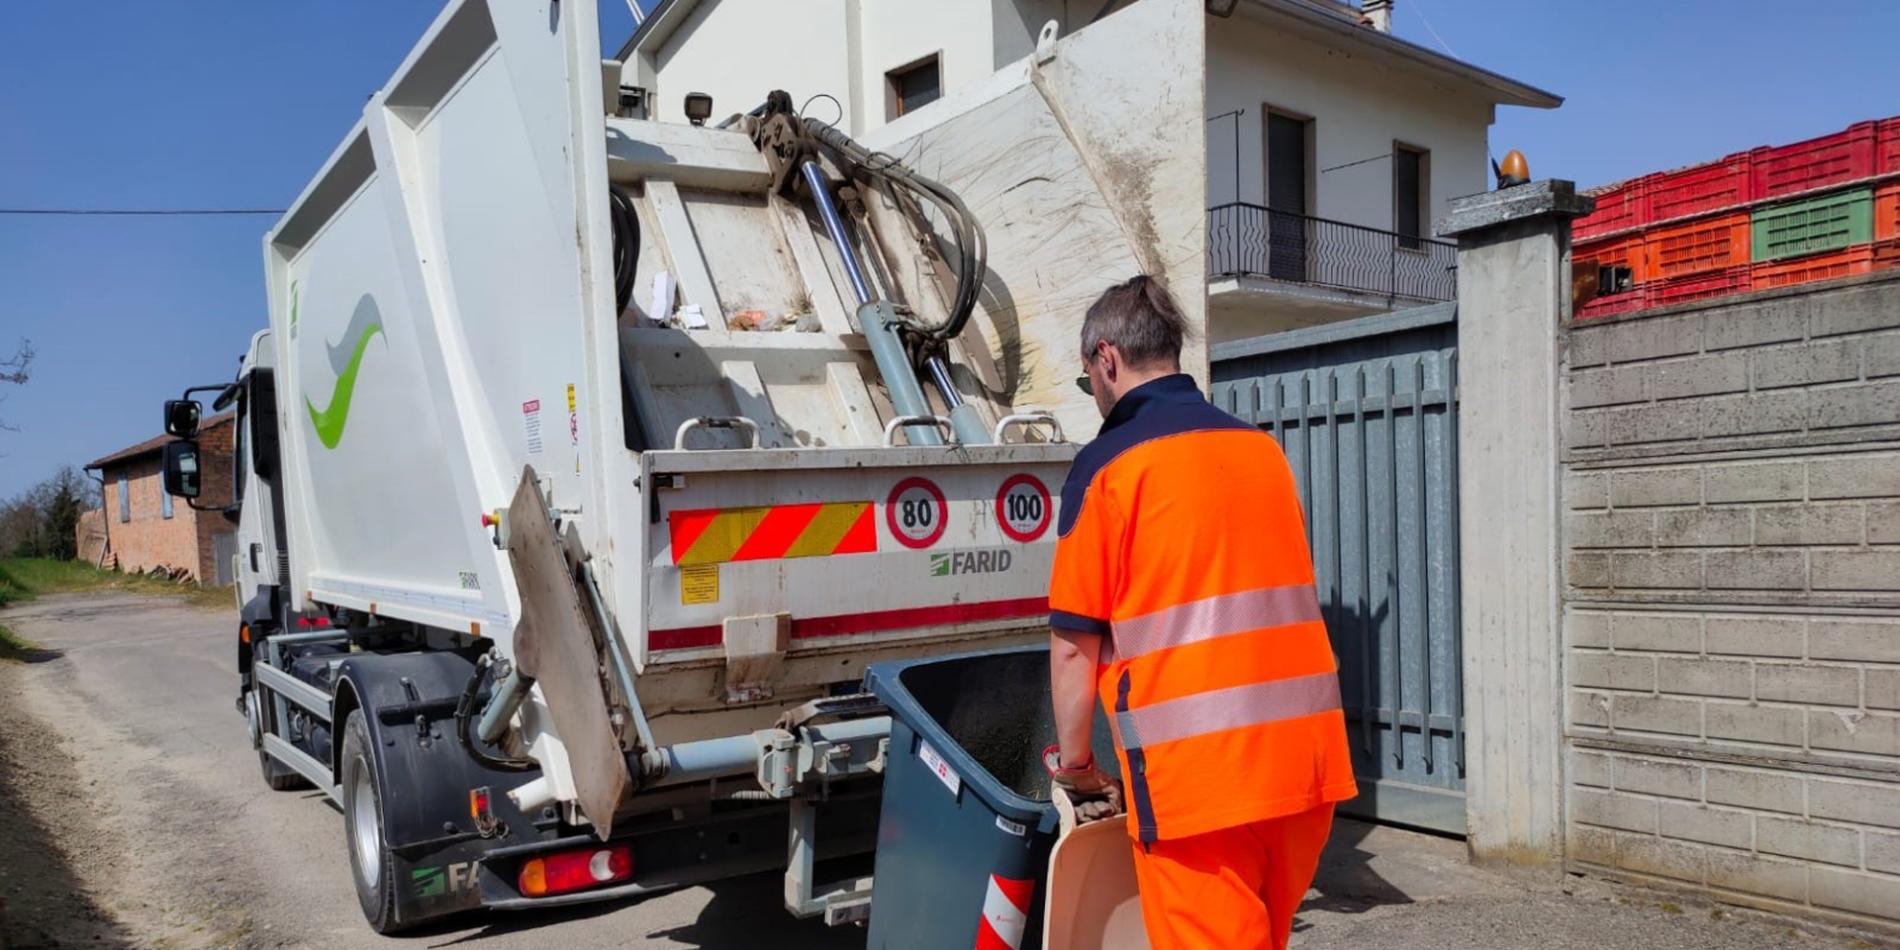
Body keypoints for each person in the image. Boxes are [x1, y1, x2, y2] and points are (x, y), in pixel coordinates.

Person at [1043, 275, 1357, 950]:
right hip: (1305, 771)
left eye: (1088, 380)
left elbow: (1074, 645)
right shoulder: (1261, 451)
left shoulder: (1107, 470)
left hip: (1199, 785)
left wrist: (1075, 767)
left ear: (1106, 360)